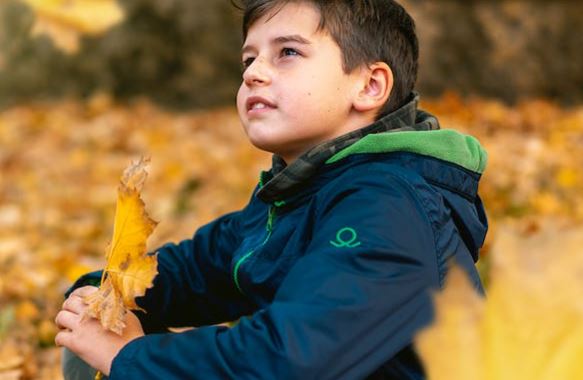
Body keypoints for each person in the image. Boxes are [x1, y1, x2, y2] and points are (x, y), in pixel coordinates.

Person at [55, 0, 488, 379]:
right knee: (96, 340)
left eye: (288, 53)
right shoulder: (299, 192)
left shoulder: (389, 206)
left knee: (128, 363)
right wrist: (101, 293)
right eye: (248, 60)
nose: (254, 74)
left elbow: (290, 360)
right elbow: (198, 270)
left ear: (369, 86)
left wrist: (132, 356)